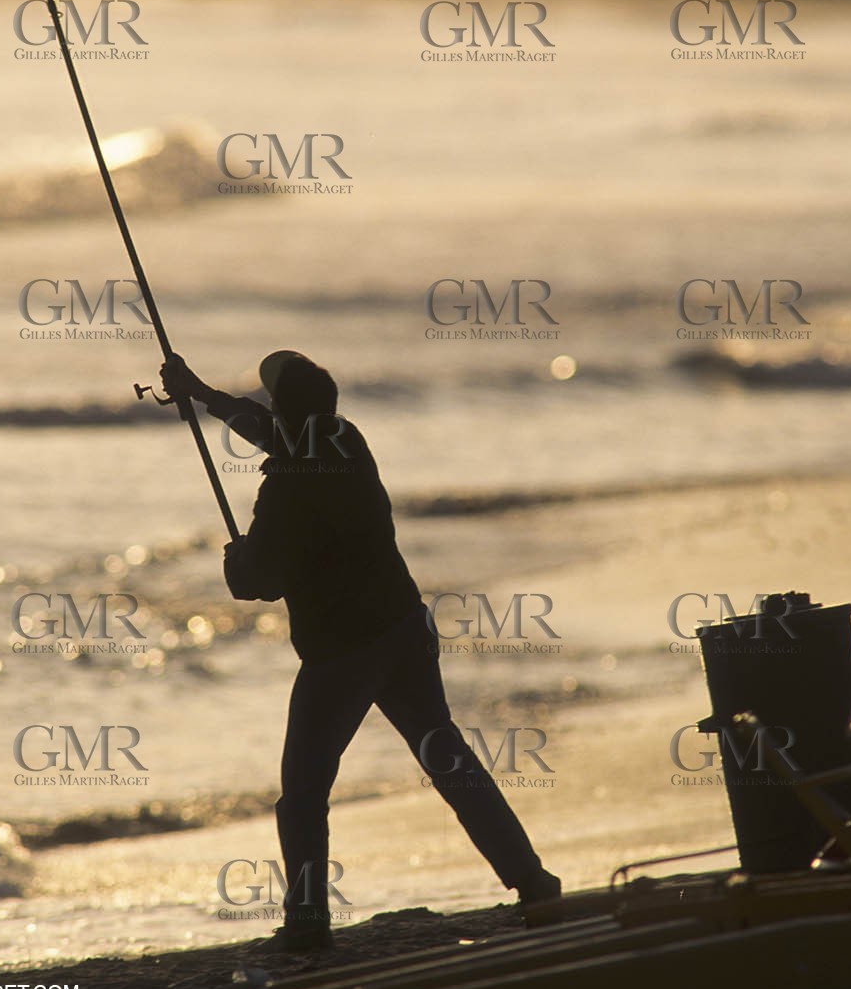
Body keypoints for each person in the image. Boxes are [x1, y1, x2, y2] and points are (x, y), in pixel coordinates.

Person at [160, 349, 561, 954]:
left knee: (302, 794)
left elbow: (254, 584)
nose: (267, 413)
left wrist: (234, 556)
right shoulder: (346, 441)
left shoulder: (286, 491)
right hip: (403, 630)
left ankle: (307, 921)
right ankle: (534, 883)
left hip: (341, 654)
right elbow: (274, 433)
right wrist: (201, 394)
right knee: (449, 760)